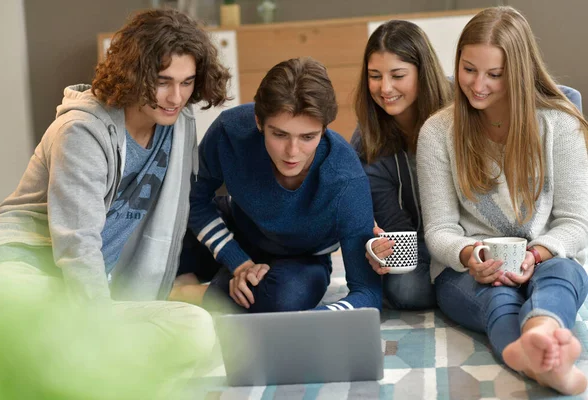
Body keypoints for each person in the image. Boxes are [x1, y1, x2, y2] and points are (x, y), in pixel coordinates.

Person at [0, 8, 230, 382]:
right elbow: (78, 245)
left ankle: (61, 362)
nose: (175, 96)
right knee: (25, 314)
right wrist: (100, 329)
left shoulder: (178, 126)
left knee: (196, 327)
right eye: (163, 81)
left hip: (80, 296)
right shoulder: (81, 131)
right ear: (134, 74)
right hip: (24, 271)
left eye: (186, 82)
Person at [417, 6, 588, 395]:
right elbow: (440, 231)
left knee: (562, 275)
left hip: (548, 258)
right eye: (468, 69)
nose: (478, 85)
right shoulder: (438, 132)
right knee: (499, 297)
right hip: (466, 271)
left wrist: (538, 254)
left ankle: (540, 332)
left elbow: (576, 223)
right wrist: (470, 256)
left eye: (495, 74)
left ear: (521, 72)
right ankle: (544, 363)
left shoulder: (559, 124)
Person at [172, 57, 382, 313]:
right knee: (160, 239)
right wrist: (238, 262)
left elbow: (368, 291)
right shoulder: (230, 131)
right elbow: (194, 199)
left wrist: (317, 319)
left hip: (302, 261)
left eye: (308, 137)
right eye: (280, 134)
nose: (292, 152)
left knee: (285, 300)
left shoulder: (346, 178)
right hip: (236, 230)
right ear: (258, 121)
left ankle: (192, 293)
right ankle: (212, 283)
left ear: (324, 129)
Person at [350, 20, 452, 309]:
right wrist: (378, 243)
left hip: (465, 233)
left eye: (397, 75)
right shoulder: (368, 138)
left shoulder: (459, 107)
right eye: (374, 76)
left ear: (423, 72)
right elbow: (390, 226)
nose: (385, 88)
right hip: (417, 243)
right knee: (406, 290)